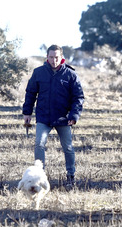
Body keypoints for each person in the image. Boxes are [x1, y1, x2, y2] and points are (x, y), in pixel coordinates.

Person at [22, 45, 84, 186]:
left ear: (62, 57)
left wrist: (74, 115)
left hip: (63, 119)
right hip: (43, 117)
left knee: (68, 147)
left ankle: (71, 175)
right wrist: (27, 113)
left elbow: (78, 97)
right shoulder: (38, 72)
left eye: (56, 57)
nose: (54, 60)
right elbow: (30, 93)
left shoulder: (70, 74)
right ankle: (39, 175)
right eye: (51, 57)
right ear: (47, 57)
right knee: (39, 144)